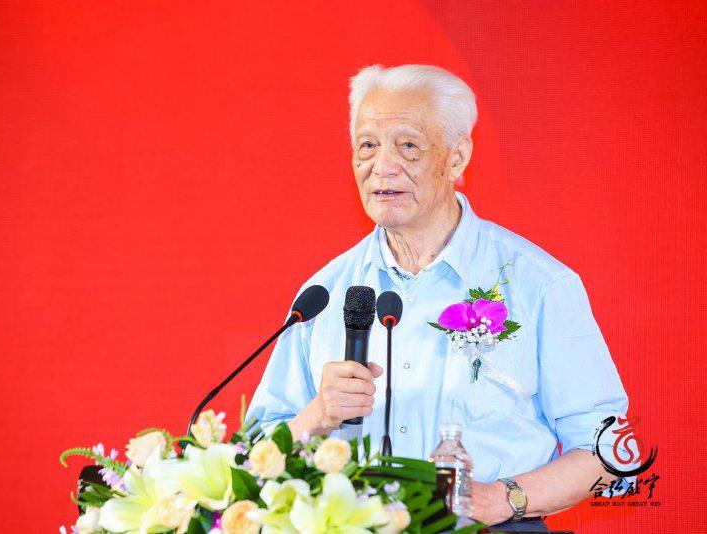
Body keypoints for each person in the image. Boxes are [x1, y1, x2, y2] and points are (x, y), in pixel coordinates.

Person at [246, 64, 629, 530]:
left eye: (408, 146)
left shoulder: (539, 284)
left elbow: (607, 450)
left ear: (457, 159)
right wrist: (318, 415)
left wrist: (506, 498)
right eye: (367, 146)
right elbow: (254, 458)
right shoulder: (323, 294)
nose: (382, 166)